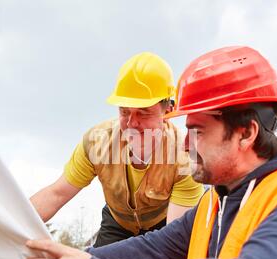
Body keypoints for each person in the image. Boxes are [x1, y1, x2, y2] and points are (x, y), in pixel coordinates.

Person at [24, 46, 277, 259]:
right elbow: (149, 250)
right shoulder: (214, 207)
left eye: (198, 131)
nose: (185, 144)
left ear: (246, 133)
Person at [30, 52, 204, 247]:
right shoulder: (97, 143)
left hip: (164, 226)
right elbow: (57, 194)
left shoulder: (187, 158)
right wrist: (9, 225)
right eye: (124, 111)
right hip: (117, 224)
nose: (132, 123)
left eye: (144, 113)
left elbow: (172, 242)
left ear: (168, 110)